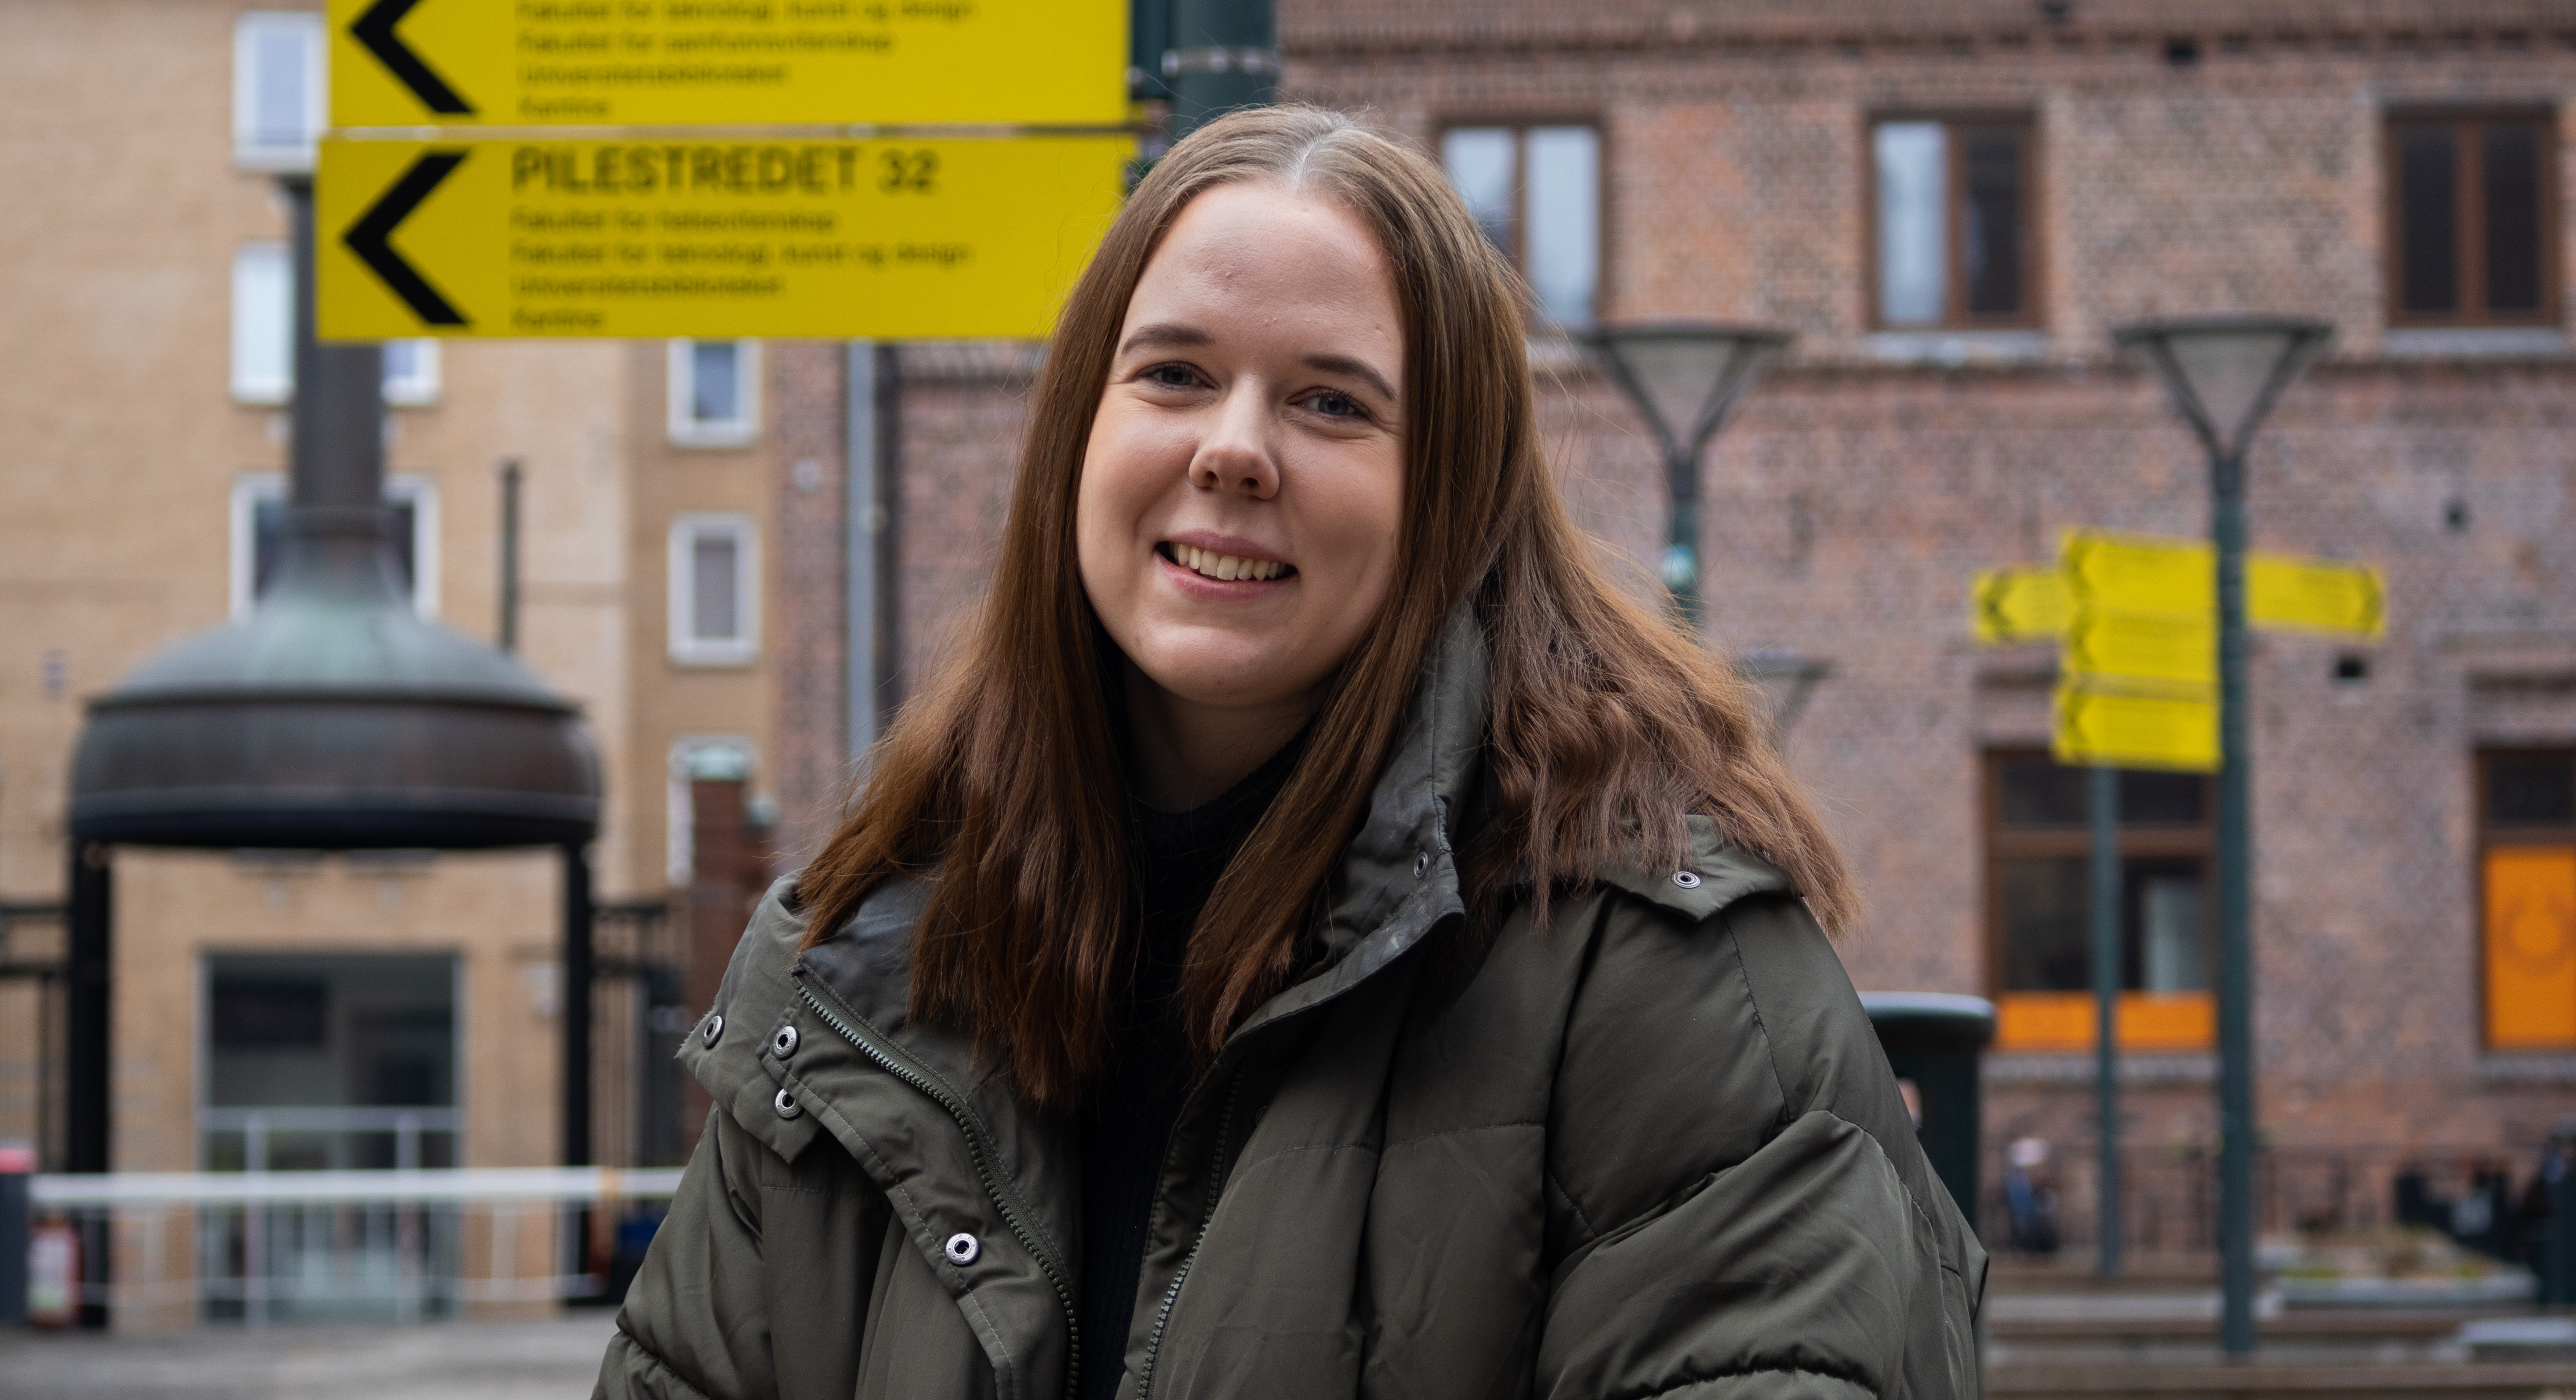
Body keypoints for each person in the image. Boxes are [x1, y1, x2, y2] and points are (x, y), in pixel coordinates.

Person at [597, 104, 1985, 1400]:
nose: (1233, 449)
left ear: (1449, 493)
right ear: (1079, 430)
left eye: (1330, 403)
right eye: (1175, 374)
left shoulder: (1657, 976)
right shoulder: (856, 961)